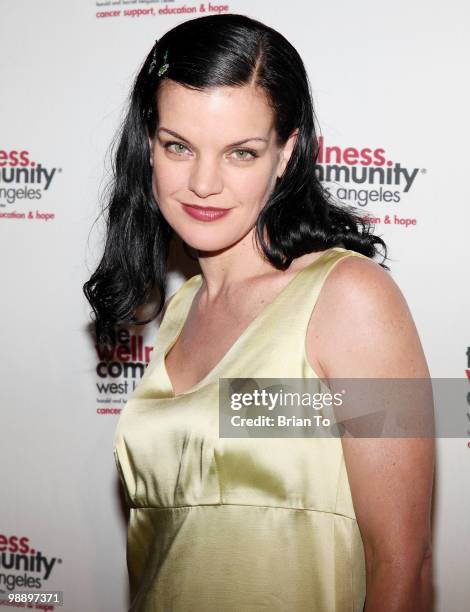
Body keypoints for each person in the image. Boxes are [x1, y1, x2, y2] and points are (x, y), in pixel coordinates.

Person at [83, 13, 434, 612]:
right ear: (148, 144)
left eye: (240, 153)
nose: (203, 182)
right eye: (178, 146)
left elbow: (404, 568)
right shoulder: (182, 309)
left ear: (286, 152)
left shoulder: (352, 298)